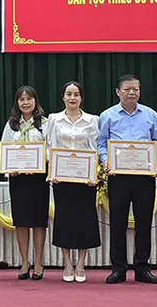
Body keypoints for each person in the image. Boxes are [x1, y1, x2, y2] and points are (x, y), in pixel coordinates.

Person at [97, 74, 157, 284]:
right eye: (127, 89)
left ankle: (142, 268)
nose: (132, 92)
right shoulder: (107, 116)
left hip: (144, 177)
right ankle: (118, 269)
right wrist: (106, 160)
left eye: (135, 89)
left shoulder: (151, 114)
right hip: (118, 177)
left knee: (144, 223)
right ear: (118, 92)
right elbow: (101, 144)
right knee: (118, 223)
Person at [45, 81, 100, 283]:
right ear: (63, 97)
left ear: (81, 98)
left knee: (85, 220)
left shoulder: (92, 120)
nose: (72, 98)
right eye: (69, 94)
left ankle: (81, 264)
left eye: (76, 94)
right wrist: (53, 171)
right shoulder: (54, 119)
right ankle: (67, 262)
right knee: (64, 220)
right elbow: (50, 147)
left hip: (85, 180)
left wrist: (94, 174)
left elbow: (95, 148)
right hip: (62, 179)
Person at [0, 86, 49, 280]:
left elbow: (49, 149)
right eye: (22, 99)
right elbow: (4, 150)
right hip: (18, 178)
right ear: (17, 103)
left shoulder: (45, 124)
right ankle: (24, 262)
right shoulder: (11, 125)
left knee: (38, 221)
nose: (26, 102)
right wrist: (10, 167)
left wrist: (38, 163)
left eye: (29, 99)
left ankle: (38, 262)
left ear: (36, 101)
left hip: (38, 179)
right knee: (21, 221)